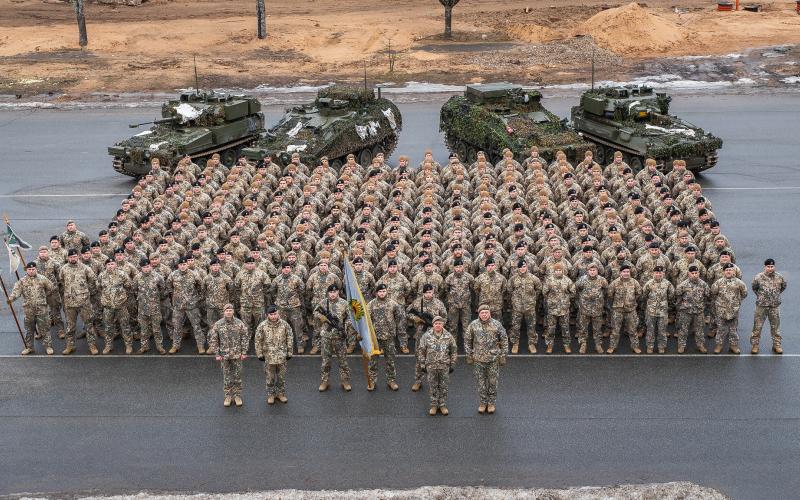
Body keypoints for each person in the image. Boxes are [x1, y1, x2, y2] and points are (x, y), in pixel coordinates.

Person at [464, 304, 508, 415]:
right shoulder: (473, 325)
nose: (484, 314)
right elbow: (467, 340)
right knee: (481, 383)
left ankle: (491, 403)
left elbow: (504, 340)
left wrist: (503, 355)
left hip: (493, 359)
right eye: (482, 313)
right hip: (478, 360)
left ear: (489, 313)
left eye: (486, 312)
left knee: (493, 382)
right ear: (479, 314)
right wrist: (469, 355)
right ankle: (483, 403)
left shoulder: (496, 324)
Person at [7, 262, 55, 355]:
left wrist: (45, 297)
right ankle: (29, 347)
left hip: (42, 308)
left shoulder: (42, 278)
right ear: (26, 270)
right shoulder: (22, 281)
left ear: (36, 269)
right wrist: (11, 298)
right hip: (28, 310)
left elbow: (51, 288)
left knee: (44, 328)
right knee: (29, 330)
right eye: (29, 269)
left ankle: (48, 346)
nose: (31, 271)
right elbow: (16, 291)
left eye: (33, 269)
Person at [58, 249, 97, 355]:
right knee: (70, 326)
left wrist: (86, 292)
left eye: (74, 256)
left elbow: (93, 281)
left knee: (89, 324)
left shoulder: (85, 268)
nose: (72, 258)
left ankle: (92, 346)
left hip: (84, 302)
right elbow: (61, 281)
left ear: (78, 257)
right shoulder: (64, 269)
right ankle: (70, 346)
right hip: (70, 303)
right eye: (70, 257)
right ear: (67, 258)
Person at [209, 303, 248, 407]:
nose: (229, 312)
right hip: (224, 355)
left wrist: (244, 352)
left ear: (233, 311)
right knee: (226, 377)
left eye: (230, 310)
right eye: (227, 311)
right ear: (224, 312)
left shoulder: (239, 323)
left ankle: (237, 396)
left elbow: (245, 337)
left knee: (237, 376)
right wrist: (217, 353)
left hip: (237, 355)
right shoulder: (218, 324)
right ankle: (228, 396)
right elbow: (214, 339)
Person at [367, 284, 404, 391]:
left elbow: (398, 317)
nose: (382, 293)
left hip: (389, 337)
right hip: (375, 338)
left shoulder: (393, 304)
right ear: (376, 293)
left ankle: (391, 380)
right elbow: (367, 319)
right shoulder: (371, 304)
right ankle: (372, 381)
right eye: (380, 291)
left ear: (386, 292)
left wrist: (392, 328)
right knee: (373, 361)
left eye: (384, 291)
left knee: (390, 360)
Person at [418, 316, 457, 416]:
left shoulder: (448, 336)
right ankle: (434, 405)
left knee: (443, 386)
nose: (438, 325)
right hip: (431, 366)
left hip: (444, 366)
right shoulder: (426, 336)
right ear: (433, 324)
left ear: (442, 324)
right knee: (433, 385)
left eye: (440, 323)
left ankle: (442, 405)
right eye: (436, 323)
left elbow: (453, 351)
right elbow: (421, 351)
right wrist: (422, 364)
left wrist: (453, 363)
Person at [255, 305, 294, 405]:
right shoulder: (262, 325)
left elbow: (290, 338)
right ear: (267, 315)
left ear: (278, 313)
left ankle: (280, 394)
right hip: (268, 357)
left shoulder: (285, 325)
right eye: (271, 314)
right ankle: (271, 394)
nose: (273, 316)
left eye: (275, 314)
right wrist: (259, 354)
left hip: (282, 356)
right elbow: (258, 340)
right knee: (270, 378)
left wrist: (289, 352)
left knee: (281, 377)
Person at [317, 284, 351, 392]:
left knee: (343, 361)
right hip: (326, 336)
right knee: (326, 361)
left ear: (338, 292)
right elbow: (315, 312)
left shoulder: (344, 303)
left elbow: (350, 318)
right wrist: (322, 317)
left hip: (339, 337)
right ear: (328, 293)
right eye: (330, 292)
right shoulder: (323, 302)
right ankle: (324, 381)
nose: (332, 294)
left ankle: (345, 381)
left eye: (335, 292)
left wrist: (344, 328)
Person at [750, 258, 788, 354]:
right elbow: (754, 287)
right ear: (765, 267)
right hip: (761, 306)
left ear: (774, 266)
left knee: (775, 327)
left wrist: (774, 296)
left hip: (774, 306)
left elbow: (783, 287)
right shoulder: (758, 277)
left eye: (772, 266)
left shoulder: (780, 277)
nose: (770, 268)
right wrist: (761, 297)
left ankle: (777, 345)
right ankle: (755, 345)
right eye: (768, 266)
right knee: (757, 327)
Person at [710, 263, 747, 354]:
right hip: (721, 310)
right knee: (721, 329)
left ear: (734, 271)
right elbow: (713, 293)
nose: (728, 271)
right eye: (726, 270)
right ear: (723, 272)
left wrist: (737, 302)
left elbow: (744, 293)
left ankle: (733, 346)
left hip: (733, 310)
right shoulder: (718, 282)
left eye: (730, 270)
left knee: (733, 329)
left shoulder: (739, 283)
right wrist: (720, 303)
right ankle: (719, 345)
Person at [607, 264, 642, 354]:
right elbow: (610, 295)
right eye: (624, 272)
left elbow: (638, 294)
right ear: (620, 273)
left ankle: (635, 346)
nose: (626, 273)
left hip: (630, 310)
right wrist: (616, 305)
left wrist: (632, 302)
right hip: (617, 310)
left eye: (628, 272)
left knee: (633, 330)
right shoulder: (615, 283)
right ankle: (612, 347)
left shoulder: (634, 282)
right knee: (615, 330)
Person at [133, 258, 166, 354]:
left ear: (150, 266)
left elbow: (162, 289)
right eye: (144, 267)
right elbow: (134, 290)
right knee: (144, 330)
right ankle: (144, 347)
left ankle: (160, 347)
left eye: (148, 266)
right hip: (142, 309)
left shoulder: (157, 277)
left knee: (156, 329)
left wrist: (156, 298)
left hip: (154, 308)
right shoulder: (137, 277)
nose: (146, 269)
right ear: (141, 268)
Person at [675, 265, 710, 354]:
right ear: (688, 274)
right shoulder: (683, 285)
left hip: (699, 311)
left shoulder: (704, 285)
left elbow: (707, 297)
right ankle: (681, 346)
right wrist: (681, 308)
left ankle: (700, 345)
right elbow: (678, 297)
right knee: (683, 330)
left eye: (696, 273)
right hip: (686, 311)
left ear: (699, 273)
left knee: (699, 330)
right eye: (692, 273)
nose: (694, 275)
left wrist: (702, 307)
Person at [574, 263, 607, 354]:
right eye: (591, 270)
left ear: (597, 271)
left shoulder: (602, 280)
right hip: (584, 309)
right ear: (587, 271)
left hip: (597, 309)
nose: (592, 272)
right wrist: (581, 301)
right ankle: (583, 344)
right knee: (583, 328)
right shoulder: (582, 280)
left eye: (594, 270)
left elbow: (605, 290)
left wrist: (599, 299)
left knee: (597, 328)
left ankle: (598, 344)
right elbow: (576, 289)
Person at [641, 266, 674, 353]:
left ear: (663, 273)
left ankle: (661, 346)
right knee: (650, 330)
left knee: (662, 330)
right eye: (656, 272)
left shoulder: (668, 284)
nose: (658, 274)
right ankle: (650, 346)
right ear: (653, 273)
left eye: (660, 272)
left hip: (663, 311)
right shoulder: (649, 283)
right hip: (651, 311)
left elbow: (671, 295)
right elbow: (644, 295)